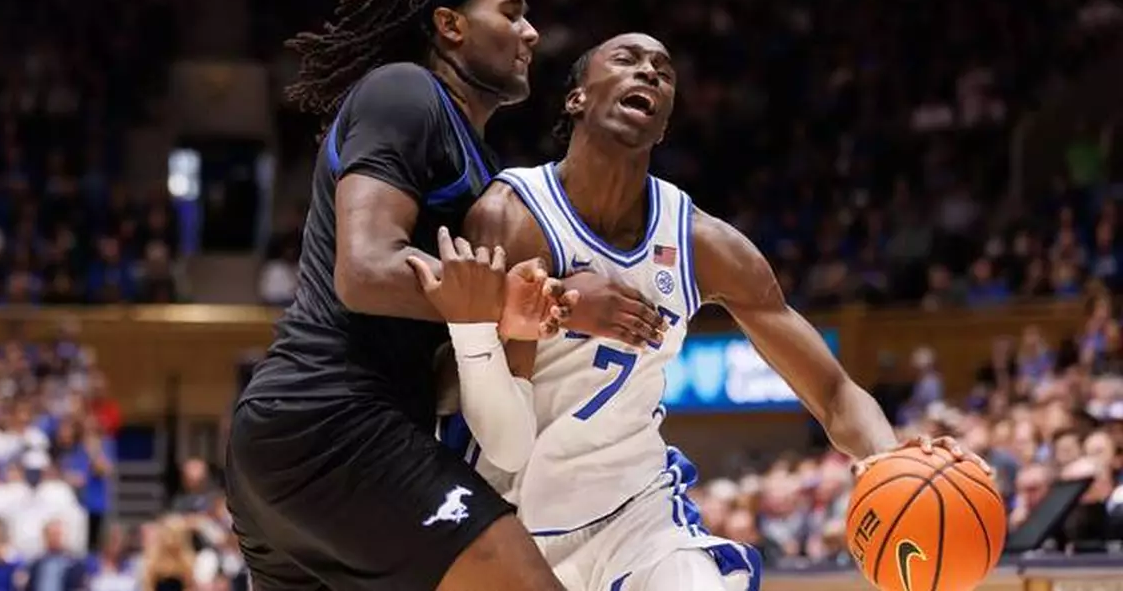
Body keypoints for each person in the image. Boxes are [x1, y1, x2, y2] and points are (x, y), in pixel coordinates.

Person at [415, 33, 990, 590]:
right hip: (508, 515)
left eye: (663, 71)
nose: (648, 72)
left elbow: (834, 392)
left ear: (664, 124)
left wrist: (891, 460)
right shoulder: (513, 215)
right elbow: (462, 398)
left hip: (635, 514)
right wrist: (559, 308)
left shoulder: (701, 243)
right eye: (627, 59)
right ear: (578, 97)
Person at [224, 0, 663, 590]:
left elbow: (453, 348)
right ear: (450, 25)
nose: (532, 32)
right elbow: (367, 270)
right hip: (334, 421)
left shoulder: (481, 166)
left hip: (308, 445)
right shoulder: (405, 92)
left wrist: (542, 315)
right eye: (511, 13)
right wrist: (537, 300)